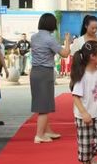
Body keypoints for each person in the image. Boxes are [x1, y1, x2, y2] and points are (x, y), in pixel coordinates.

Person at [30, 13, 71, 144]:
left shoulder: (34, 37)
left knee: (40, 102)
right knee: (45, 105)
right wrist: (67, 41)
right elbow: (65, 54)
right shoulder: (50, 39)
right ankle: (39, 135)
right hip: (45, 72)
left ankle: (46, 130)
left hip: (34, 71)